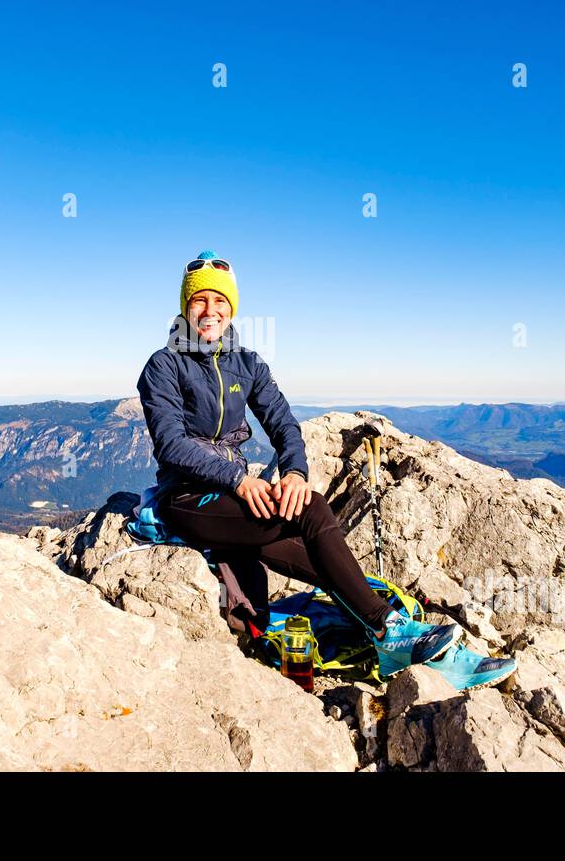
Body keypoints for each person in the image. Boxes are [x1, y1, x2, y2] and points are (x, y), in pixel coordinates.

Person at [134, 250, 463, 678]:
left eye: (220, 302)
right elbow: (171, 445)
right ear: (185, 306)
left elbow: (285, 425)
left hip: (230, 499)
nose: (210, 311)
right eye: (199, 301)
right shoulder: (164, 365)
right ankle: (387, 630)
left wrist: (293, 473)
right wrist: (238, 479)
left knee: (323, 558)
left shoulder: (246, 363)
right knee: (311, 510)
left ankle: (395, 631)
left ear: (232, 309)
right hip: (188, 497)